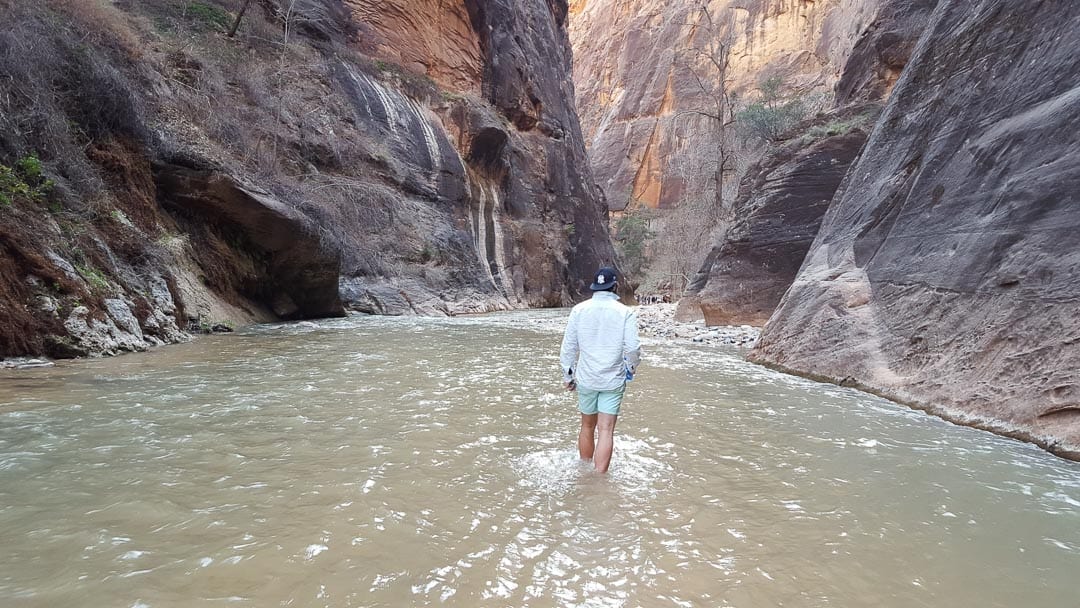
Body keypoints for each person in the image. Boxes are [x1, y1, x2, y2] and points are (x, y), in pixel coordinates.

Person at [560, 266, 641, 473]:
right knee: (606, 430)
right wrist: (630, 368)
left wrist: (568, 375)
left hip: (586, 378)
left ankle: (584, 470)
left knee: (587, 425)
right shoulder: (625, 312)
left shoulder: (578, 310)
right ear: (615, 286)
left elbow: (569, 346)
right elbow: (632, 348)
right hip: (613, 380)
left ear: (595, 287)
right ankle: (599, 479)